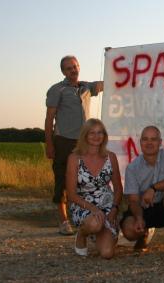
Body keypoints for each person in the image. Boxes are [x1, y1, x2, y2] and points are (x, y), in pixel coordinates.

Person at [45, 55, 104, 235]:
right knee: (62, 178)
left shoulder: (86, 87)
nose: (74, 70)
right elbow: (49, 119)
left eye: (75, 66)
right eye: (69, 68)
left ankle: (85, 217)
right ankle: (63, 221)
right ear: (63, 71)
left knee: (85, 180)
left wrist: (110, 57)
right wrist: (49, 144)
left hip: (84, 143)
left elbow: (107, 82)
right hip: (64, 141)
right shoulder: (57, 90)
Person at [120, 126, 164, 256]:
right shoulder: (132, 168)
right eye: (145, 139)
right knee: (129, 231)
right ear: (140, 143)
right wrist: (139, 218)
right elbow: (133, 200)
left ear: (160, 142)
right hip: (143, 209)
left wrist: (153, 188)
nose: (149, 143)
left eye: (153, 139)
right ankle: (142, 233)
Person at [66, 119, 122, 258]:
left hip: (107, 205)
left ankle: (99, 234)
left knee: (107, 253)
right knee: (95, 223)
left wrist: (114, 208)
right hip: (82, 204)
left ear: (104, 135)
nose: (96, 136)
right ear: (85, 135)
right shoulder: (74, 158)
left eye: (100, 132)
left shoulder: (111, 157)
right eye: (92, 133)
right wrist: (93, 209)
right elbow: (71, 195)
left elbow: (118, 188)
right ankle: (82, 234)